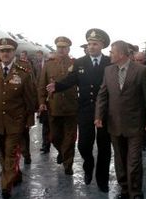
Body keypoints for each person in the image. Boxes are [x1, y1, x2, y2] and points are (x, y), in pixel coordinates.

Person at [46, 28, 112, 192]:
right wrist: (57, 86)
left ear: (102, 45)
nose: (91, 46)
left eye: (95, 44)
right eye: (89, 43)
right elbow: (71, 79)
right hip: (85, 109)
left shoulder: (110, 62)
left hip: (105, 110)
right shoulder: (80, 62)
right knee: (83, 145)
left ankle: (102, 180)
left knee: (104, 147)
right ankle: (88, 165)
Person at [95, 40, 146, 199]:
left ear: (121, 54)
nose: (110, 55)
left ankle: (135, 191)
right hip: (114, 123)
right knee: (120, 160)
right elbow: (102, 95)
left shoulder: (141, 71)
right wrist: (98, 116)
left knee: (134, 160)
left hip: (136, 124)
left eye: (112, 52)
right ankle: (124, 188)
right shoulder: (108, 71)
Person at [0, 38, 36, 199]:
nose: (5, 53)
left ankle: (6, 185)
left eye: (8, 50)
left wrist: (29, 119)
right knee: (3, 151)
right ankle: (15, 174)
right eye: (2, 51)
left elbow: (30, 99)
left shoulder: (23, 72)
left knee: (10, 152)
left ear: (14, 52)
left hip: (16, 120)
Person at [38, 36, 78, 175]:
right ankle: (62, 152)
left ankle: (68, 164)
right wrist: (42, 102)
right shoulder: (48, 64)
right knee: (54, 137)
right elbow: (42, 84)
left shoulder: (75, 63)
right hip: (54, 106)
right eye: (59, 47)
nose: (61, 49)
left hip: (71, 106)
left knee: (70, 137)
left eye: (64, 47)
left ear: (68, 49)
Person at [33, 50, 50, 153]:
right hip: (45, 100)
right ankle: (45, 145)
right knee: (46, 126)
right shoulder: (36, 64)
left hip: (55, 101)